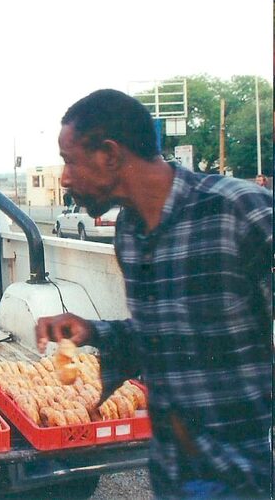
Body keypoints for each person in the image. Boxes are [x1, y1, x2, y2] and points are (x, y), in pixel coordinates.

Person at [35, 89, 272, 498]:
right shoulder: (128, 234)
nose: (65, 177)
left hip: (243, 473)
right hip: (171, 468)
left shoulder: (238, 210)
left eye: (69, 160)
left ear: (109, 154)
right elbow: (160, 337)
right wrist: (92, 332)